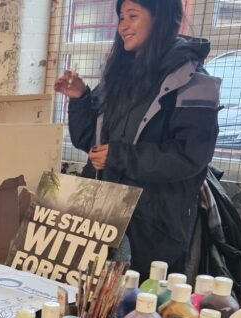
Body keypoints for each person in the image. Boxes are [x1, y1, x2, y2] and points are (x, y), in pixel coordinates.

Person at [56, 0, 220, 277]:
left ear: (161, 18)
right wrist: (81, 98)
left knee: (142, 305)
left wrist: (118, 157)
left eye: (132, 16)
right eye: (121, 18)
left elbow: (190, 156)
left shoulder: (193, 81)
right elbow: (88, 141)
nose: (123, 26)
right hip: (103, 214)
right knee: (89, 304)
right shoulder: (119, 75)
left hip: (154, 227)